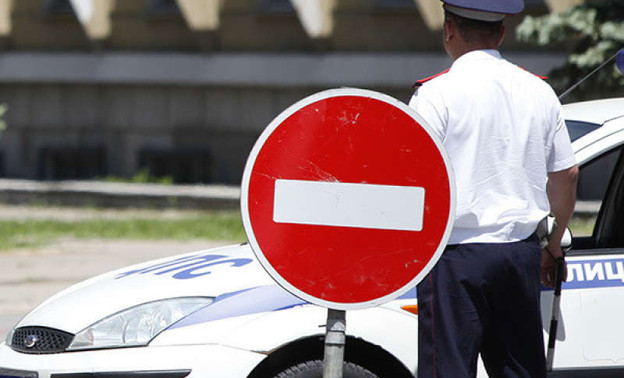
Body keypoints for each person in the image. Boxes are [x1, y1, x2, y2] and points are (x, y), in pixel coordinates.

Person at [408, 0, 579, 377]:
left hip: (454, 259)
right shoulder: (538, 91)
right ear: (501, 33)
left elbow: (415, 181)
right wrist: (554, 244)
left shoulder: (434, 95)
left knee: (447, 370)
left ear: (448, 29)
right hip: (520, 257)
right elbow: (567, 175)